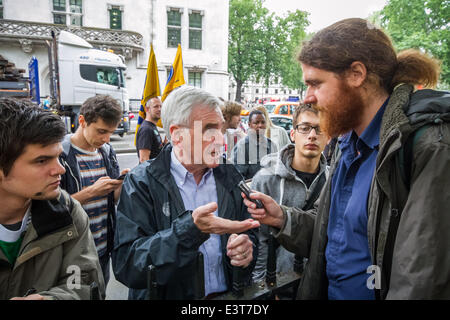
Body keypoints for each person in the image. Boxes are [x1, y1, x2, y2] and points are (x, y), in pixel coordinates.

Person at [243, 18, 450, 300]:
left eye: (316, 83)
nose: (308, 97)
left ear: (356, 74)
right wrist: (282, 218)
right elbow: (336, 235)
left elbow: (420, 279)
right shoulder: (347, 143)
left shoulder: (426, 146)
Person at [112, 85, 260, 300]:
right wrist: (189, 231)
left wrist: (246, 249)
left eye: (221, 129)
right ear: (177, 134)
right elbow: (128, 265)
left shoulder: (228, 173)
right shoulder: (141, 181)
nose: (220, 140)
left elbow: (249, 232)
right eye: (209, 130)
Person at [0, 97, 104, 300]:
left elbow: (85, 283)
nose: (60, 169)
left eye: (57, 157)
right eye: (41, 160)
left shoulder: (66, 210)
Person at [251, 104, 329, 288]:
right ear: (293, 134)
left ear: (328, 136)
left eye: (320, 129)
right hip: (277, 281)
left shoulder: (333, 180)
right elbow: (258, 239)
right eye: (304, 128)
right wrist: (263, 285)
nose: (312, 135)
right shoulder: (265, 179)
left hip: (317, 282)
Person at [59, 95, 130, 287]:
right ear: (82, 121)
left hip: (103, 248)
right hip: (73, 251)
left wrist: (121, 183)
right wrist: (91, 192)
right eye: (101, 131)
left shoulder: (107, 151)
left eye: (111, 132)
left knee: (100, 293)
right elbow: (51, 208)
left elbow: (113, 199)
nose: (106, 139)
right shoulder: (60, 154)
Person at [231, 109, 278, 180]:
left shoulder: (272, 145)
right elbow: (238, 178)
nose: (260, 125)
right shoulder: (242, 146)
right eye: (256, 123)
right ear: (249, 125)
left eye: (263, 122)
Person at [136, 97, 165, 163]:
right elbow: (144, 160)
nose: (159, 109)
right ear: (147, 109)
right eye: (156, 107)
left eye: (161, 106)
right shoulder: (146, 129)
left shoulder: (151, 127)